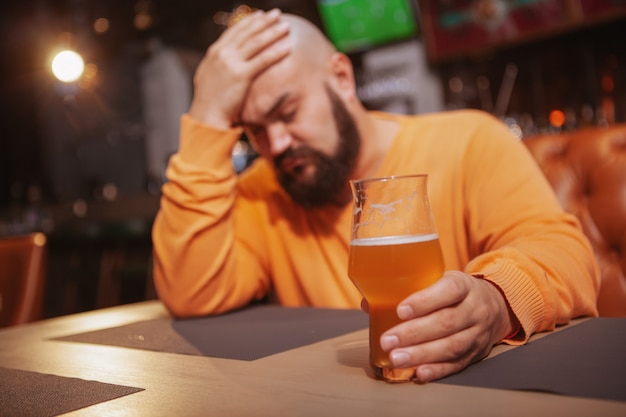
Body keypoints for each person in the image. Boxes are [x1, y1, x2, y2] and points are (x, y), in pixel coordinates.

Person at [151, 9, 599, 383]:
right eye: (255, 131)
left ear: (342, 79)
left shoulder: (469, 141)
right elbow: (192, 294)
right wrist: (206, 116)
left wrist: (496, 301)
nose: (277, 144)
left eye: (287, 112)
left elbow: (565, 252)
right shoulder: (262, 193)